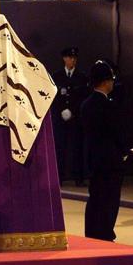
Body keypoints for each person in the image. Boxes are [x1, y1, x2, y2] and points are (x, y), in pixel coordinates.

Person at [81, 60, 127, 241]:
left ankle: (92, 231)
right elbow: (116, 131)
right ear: (106, 82)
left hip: (93, 157)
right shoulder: (108, 105)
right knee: (109, 198)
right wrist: (123, 151)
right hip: (110, 159)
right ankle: (105, 231)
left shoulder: (86, 104)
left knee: (95, 197)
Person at [51, 47, 88, 186]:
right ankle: (59, 177)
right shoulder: (57, 76)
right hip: (60, 118)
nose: (72, 60)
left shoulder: (81, 77)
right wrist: (61, 110)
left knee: (77, 147)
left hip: (75, 118)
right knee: (60, 147)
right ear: (64, 59)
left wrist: (72, 110)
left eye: (74, 58)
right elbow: (54, 96)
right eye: (70, 57)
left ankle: (79, 177)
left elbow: (83, 97)